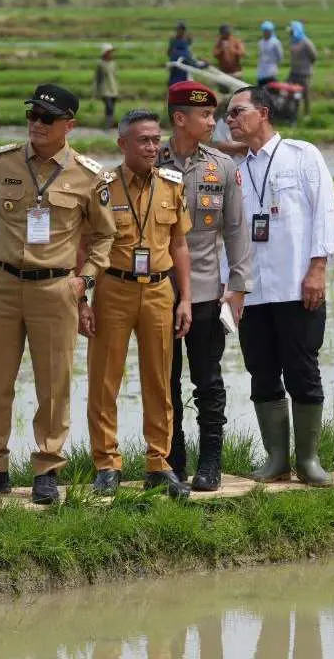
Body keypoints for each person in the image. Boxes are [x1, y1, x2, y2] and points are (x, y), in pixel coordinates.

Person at [0, 84, 116, 505]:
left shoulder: (89, 176)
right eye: (32, 115)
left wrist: (83, 282)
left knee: (54, 384)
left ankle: (47, 469)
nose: (36, 124)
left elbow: (106, 237)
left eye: (46, 118)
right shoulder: (4, 161)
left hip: (55, 289)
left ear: (68, 125)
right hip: (1, 283)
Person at [224, 85, 334, 487]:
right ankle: (276, 460)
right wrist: (231, 287)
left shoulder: (302, 156)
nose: (230, 120)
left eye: (237, 112)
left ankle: (308, 460)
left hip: (296, 285)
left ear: (264, 112)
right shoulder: (234, 169)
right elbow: (231, 233)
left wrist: (318, 269)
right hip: (252, 291)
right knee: (262, 371)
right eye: (227, 115)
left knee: (303, 369)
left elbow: (324, 213)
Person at [81, 109, 193, 499]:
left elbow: (179, 245)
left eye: (155, 139)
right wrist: (83, 298)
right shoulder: (103, 187)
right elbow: (86, 245)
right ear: (123, 143)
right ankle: (106, 463)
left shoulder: (172, 185)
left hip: (161, 290)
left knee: (159, 381)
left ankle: (158, 463)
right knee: (104, 379)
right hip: (113, 288)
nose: (152, 147)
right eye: (143, 140)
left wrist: (186, 300)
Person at [159, 81, 253, 491]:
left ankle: (211, 462)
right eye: (206, 116)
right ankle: (172, 462)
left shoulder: (222, 167)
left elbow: (236, 232)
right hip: (157, 291)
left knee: (207, 380)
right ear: (181, 119)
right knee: (164, 382)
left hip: (205, 291)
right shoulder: (149, 160)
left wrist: (238, 287)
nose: (215, 122)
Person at [287, 21, 318, 116]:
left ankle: (307, 114)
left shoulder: (306, 43)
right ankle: (294, 114)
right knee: (293, 94)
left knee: (305, 94)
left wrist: (306, 66)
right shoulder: (292, 42)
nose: (290, 33)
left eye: (292, 31)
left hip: (304, 74)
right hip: (294, 72)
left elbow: (314, 56)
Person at [94, 44, 120, 129]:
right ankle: (108, 126)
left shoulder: (113, 63)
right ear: (104, 53)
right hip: (105, 90)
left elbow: (115, 77)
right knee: (109, 107)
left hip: (114, 89)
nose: (111, 54)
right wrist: (97, 91)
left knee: (111, 109)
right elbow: (98, 79)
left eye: (111, 52)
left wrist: (118, 89)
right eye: (109, 52)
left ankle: (109, 124)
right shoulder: (100, 64)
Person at [167, 21, 197, 86]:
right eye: (179, 29)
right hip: (176, 65)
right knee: (174, 82)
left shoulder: (187, 39)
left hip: (185, 65)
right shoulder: (173, 40)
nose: (180, 31)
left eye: (182, 30)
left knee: (184, 82)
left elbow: (189, 50)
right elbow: (169, 52)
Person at [256, 21, 284, 86]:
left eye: (268, 31)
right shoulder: (261, 42)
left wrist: (273, 64)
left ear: (271, 31)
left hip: (271, 71)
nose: (266, 33)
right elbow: (260, 56)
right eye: (264, 31)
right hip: (261, 71)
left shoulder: (276, 43)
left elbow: (280, 57)